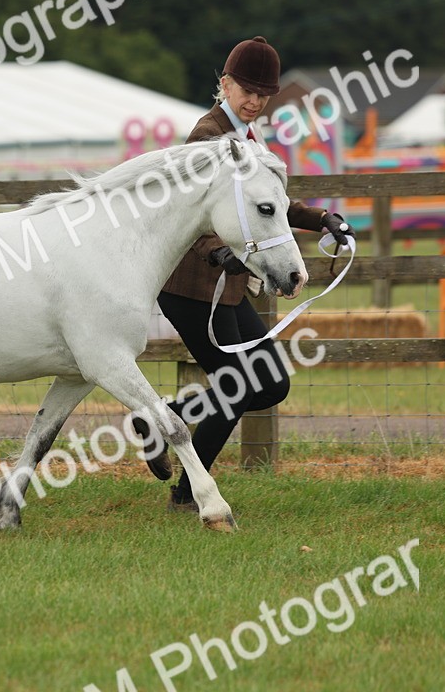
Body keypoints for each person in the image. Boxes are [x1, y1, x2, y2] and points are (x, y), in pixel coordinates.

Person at [131, 36, 354, 511]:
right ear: (225, 84)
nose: (254, 101)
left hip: (227, 289)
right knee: (237, 385)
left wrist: (321, 220)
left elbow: (263, 204)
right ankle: (187, 495)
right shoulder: (208, 136)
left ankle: (166, 417)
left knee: (271, 382)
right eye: (246, 90)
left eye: (263, 94)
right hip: (191, 286)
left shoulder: (249, 138)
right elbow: (192, 211)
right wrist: (218, 253)